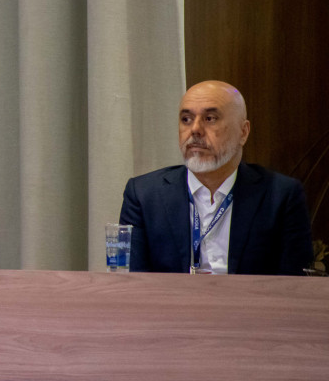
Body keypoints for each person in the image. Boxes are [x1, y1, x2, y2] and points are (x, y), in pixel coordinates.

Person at [119, 80, 312, 275]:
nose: (195, 129)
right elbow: (131, 283)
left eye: (210, 118)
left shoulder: (281, 196)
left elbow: (294, 284)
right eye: (186, 119)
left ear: (243, 132)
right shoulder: (144, 195)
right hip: (170, 296)